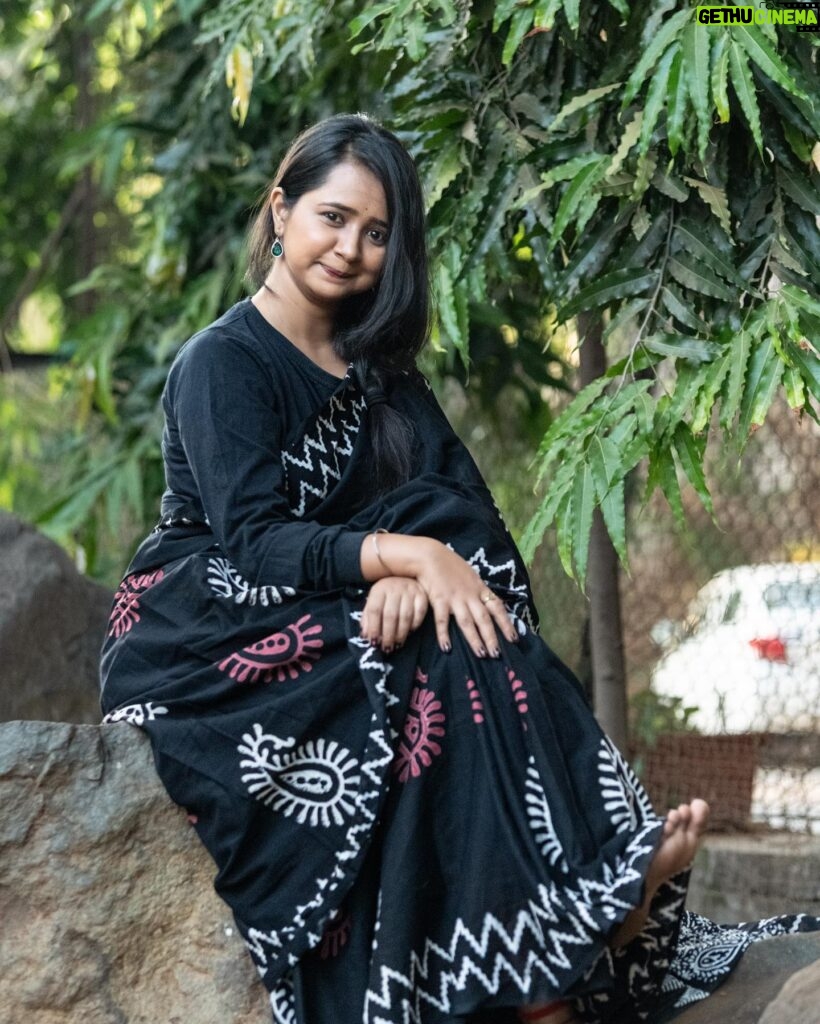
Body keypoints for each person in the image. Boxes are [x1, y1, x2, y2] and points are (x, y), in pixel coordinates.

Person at [100, 114, 817, 1024]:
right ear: (280, 211)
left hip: (345, 587)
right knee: (428, 646)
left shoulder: (379, 369)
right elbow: (254, 541)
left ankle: (562, 925)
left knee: (474, 624)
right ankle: (566, 936)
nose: (350, 248)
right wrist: (399, 559)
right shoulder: (223, 361)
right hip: (211, 617)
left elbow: (461, 510)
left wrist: (419, 566)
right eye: (332, 217)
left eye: (377, 233)